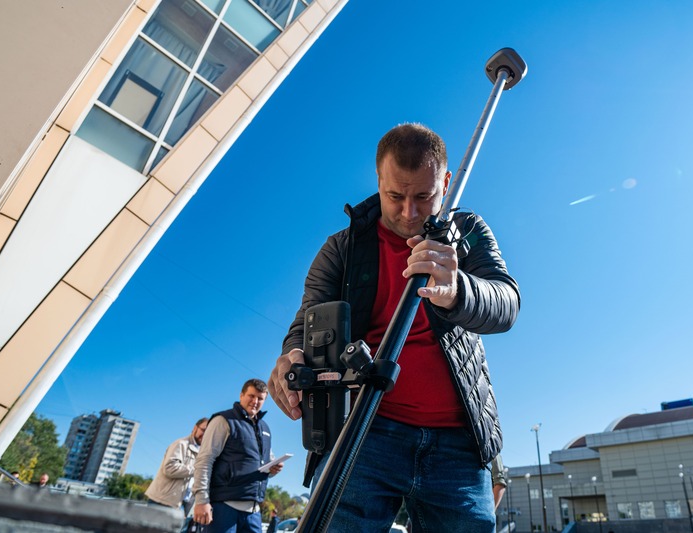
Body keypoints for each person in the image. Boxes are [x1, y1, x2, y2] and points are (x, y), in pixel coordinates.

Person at [268, 123, 520, 531]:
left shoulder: (467, 233)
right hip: (363, 431)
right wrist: (292, 355)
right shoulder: (342, 248)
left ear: (447, 183)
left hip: (458, 443)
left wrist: (457, 290)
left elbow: (506, 305)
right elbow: (307, 320)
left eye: (424, 197)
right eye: (395, 196)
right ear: (378, 181)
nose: (409, 213)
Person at [192, 379, 283, 532]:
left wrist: (273, 469)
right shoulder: (223, 421)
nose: (255, 401)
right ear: (241, 395)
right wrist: (201, 500)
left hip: (253, 511)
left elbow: (264, 464)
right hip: (223, 508)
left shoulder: (265, 428)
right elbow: (204, 460)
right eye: (251, 396)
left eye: (260, 398)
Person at [145, 417, 208, 513]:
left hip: (183, 504)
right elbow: (169, 468)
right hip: (163, 502)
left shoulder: (204, 452)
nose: (205, 435)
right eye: (203, 430)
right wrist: (198, 470)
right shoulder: (181, 444)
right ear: (195, 428)